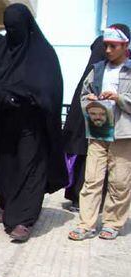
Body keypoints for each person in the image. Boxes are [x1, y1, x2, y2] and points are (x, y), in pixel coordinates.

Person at [0, 4, 67, 242]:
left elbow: (50, 90)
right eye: (8, 29)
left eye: (16, 28)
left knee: (29, 168)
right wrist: (3, 97)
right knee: (5, 168)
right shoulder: (1, 52)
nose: (12, 33)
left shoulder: (43, 54)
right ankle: (8, 207)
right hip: (4, 123)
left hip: (31, 126)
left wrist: (29, 97)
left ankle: (23, 220)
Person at [68, 24, 131, 241]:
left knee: (120, 180)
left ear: (125, 45)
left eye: (113, 46)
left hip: (123, 134)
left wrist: (118, 98)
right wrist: (91, 100)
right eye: (106, 46)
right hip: (98, 131)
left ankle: (113, 222)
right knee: (92, 178)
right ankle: (86, 224)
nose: (108, 50)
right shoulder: (98, 69)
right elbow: (84, 94)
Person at [62, 36, 106, 211]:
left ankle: (77, 197)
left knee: (84, 161)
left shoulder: (90, 74)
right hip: (95, 132)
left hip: (81, 134)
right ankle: (84, 200)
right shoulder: (97, 74)